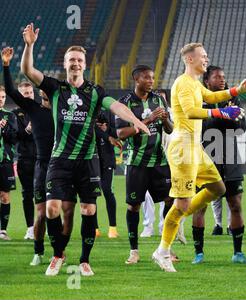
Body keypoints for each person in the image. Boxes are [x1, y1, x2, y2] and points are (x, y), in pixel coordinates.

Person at [21, 23, 149, 276]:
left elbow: (115, 107)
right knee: (51, 209)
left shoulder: (95, 91)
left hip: (88, 160)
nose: (76, 63)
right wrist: (29, 45)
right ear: (65, 63)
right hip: (60, 160)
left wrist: (135, 121)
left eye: (79, 59)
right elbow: (27, 70)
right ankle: (57, 255)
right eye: (71, 60)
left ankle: (84, 260)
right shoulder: (55, 87)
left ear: (85, 64)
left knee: (88, 210)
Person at [151, 42, 246, 272]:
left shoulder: (194, 83)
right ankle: (162, 251)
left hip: (195, 148)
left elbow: (211, 97)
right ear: (190, 59)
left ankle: (177, 218)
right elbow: (191, 111)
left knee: (218, 189)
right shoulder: (183, 83)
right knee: (182, 203)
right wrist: (222, 112)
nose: (206, 59)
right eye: (203, 56)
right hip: (183, 149)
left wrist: (237, 91)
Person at [2, 46, 75, 264]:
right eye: (41, 87)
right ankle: (38, 250)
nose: (44, 90)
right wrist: (6, 65)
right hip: (42, 165)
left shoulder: (64, 111)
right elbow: (12, 92)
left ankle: (58, 251)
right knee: (42, 213)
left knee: (66, 211)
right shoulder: (33, 109)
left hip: (63, 166)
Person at [191, 65, 246, 264]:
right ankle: (199, 253)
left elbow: (241, 128)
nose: (222, 80)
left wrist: (226, 115)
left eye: (223, 77)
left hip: (231, 158)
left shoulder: (233, 99)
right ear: (207, 81)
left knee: (236, 205)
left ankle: (238, 253)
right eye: (217, 77)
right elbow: (203, 127)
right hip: (206, 160)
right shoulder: (200, 100)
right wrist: (224, 114)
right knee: (201, 207)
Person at [116, 65, 174, 265]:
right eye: (147, 78)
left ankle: (166, 247)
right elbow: (121, 134)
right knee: (134, 206)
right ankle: (134, 251)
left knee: (170, 201)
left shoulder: (159, 100)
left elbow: (170, 129)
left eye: (152, 77)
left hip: (159, 161)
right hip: (136, 162)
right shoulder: (124, 103)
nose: (151, 81)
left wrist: (165, 119)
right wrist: (148, 119)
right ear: (137, 79)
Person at [9, 81, 36, 240]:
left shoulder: (41, 110)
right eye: (26, 93)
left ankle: (46, 225)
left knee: (46, 194)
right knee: (27, 194)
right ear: (20, 96)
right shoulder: (14, 114)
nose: (29, 95)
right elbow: (15, 136)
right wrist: (28, 129)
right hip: (25, 159)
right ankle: (31, 228)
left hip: (42, 159)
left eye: (31, 92)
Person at [94, 109, 120, 238]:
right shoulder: (87, 109)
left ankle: (112, 228)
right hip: (92, 160)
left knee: (107, 190)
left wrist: (107, 128)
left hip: (107, 160)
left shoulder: (109, 111)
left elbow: (117, 132)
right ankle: (95, 228)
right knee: (91, 194)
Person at [0, 85, 18, 241]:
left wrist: (5, 130)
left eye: (3, 97)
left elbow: (14, 138)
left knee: (5, 197)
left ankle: (3, 230)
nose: (1, 100)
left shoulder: (10, 116)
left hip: (5, 161)